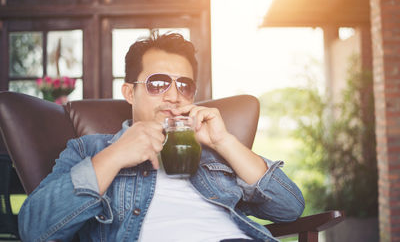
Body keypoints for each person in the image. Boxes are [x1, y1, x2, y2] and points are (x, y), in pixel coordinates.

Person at [18, 32, 305, 242]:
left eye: (185, 85)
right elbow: (36, 227)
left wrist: (224, 142)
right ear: (130, 92)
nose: (173, 96)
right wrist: (117, 154)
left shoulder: (215, 152)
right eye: (157, 83)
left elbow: (290, 208)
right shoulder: (90, 150)